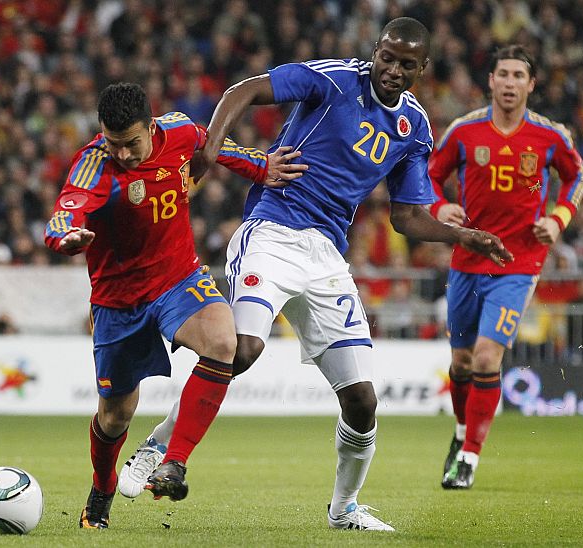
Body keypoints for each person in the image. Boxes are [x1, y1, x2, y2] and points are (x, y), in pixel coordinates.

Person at [119, 17, 512, 531]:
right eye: (386, 57)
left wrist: (462, 235)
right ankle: (162, 447)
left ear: (423, 68)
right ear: (376, 51)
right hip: (273, 232)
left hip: (326, 256)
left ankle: (344, 509)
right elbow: (245, 90)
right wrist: (211, 148)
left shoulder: (414, 128)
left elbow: (406, 216)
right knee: (244, 348)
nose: (392, 70)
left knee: (362, 399)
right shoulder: (333, 79)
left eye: (405, 64)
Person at [43, 82, 306, 529]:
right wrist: (65, 236)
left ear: (150, 126)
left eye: (131, 143)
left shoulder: (180, 132)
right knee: (114, 415)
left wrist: (262, 166)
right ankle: (102, 488)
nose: (122, 154)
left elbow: (214, 146)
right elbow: (66, 209)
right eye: (113, 143)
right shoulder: (93, 164)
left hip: (178, 279)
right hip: (118, 302)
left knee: (225, 342)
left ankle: (173, 461)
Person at [427, 45, 583, 489]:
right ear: (492, 81)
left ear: (531, 84)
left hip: (518, 261)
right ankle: (460, 436)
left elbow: (577, 175)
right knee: (460, 363)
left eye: (519, 75)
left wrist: (558, 219)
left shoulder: (549, 137)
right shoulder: (464, 132)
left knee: (485, 356)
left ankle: (470, 460)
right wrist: (440, 208)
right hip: (467, 257)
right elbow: (429, 174)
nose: (511, 82)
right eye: (504, 74)